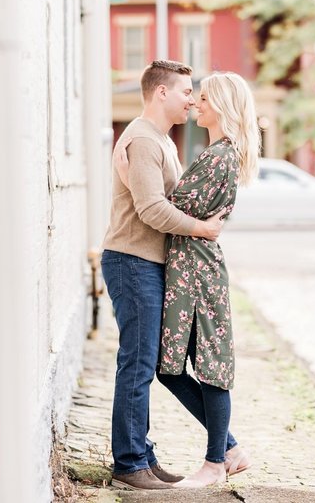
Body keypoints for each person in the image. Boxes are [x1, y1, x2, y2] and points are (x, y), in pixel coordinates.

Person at [115, 71, 260, 488]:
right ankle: (228, 448)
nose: (197, 102)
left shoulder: (219, 156)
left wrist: (131, 181)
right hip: (186, 266)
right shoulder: (213, 152)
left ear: (224, 107)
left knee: (207, 365)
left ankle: (217, 460)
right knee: (171, 367)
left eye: (205, 97)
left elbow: (167, 207)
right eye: (193, 94)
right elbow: (176, 208)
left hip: (196, 270)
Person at [100, 60, 226, 490]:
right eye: (186, 91)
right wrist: (203, 229)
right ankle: (129, 464)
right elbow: (152, 209)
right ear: (161, 93)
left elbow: (164, 199)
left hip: (148, 264)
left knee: (146, 363)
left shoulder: (161, 141)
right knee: (136, 363)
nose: (192, 99)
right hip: (131, 261)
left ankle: (144, 458)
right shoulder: (142, 139)